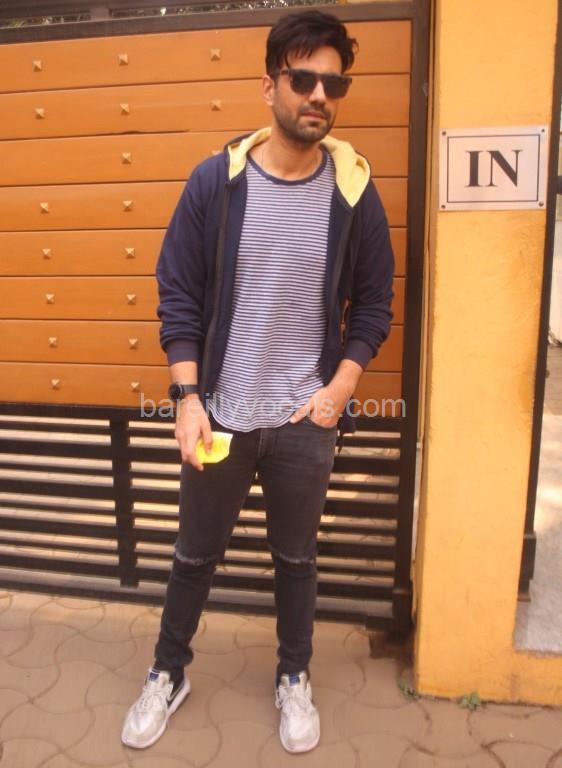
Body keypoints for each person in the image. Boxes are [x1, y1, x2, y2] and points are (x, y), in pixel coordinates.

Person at [121, 9, 394, 754]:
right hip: (222, 415)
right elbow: (178, 290)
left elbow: (374, 302)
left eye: (333, 83)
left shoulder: (353, 191)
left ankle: (293, 676)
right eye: (303, 79)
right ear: (270, 86)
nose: (319, 95)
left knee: (296, 559)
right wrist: (186, 399)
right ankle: (168, 671)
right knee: (193, 555)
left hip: (306, 420)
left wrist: (339, 389)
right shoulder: (217, 182)